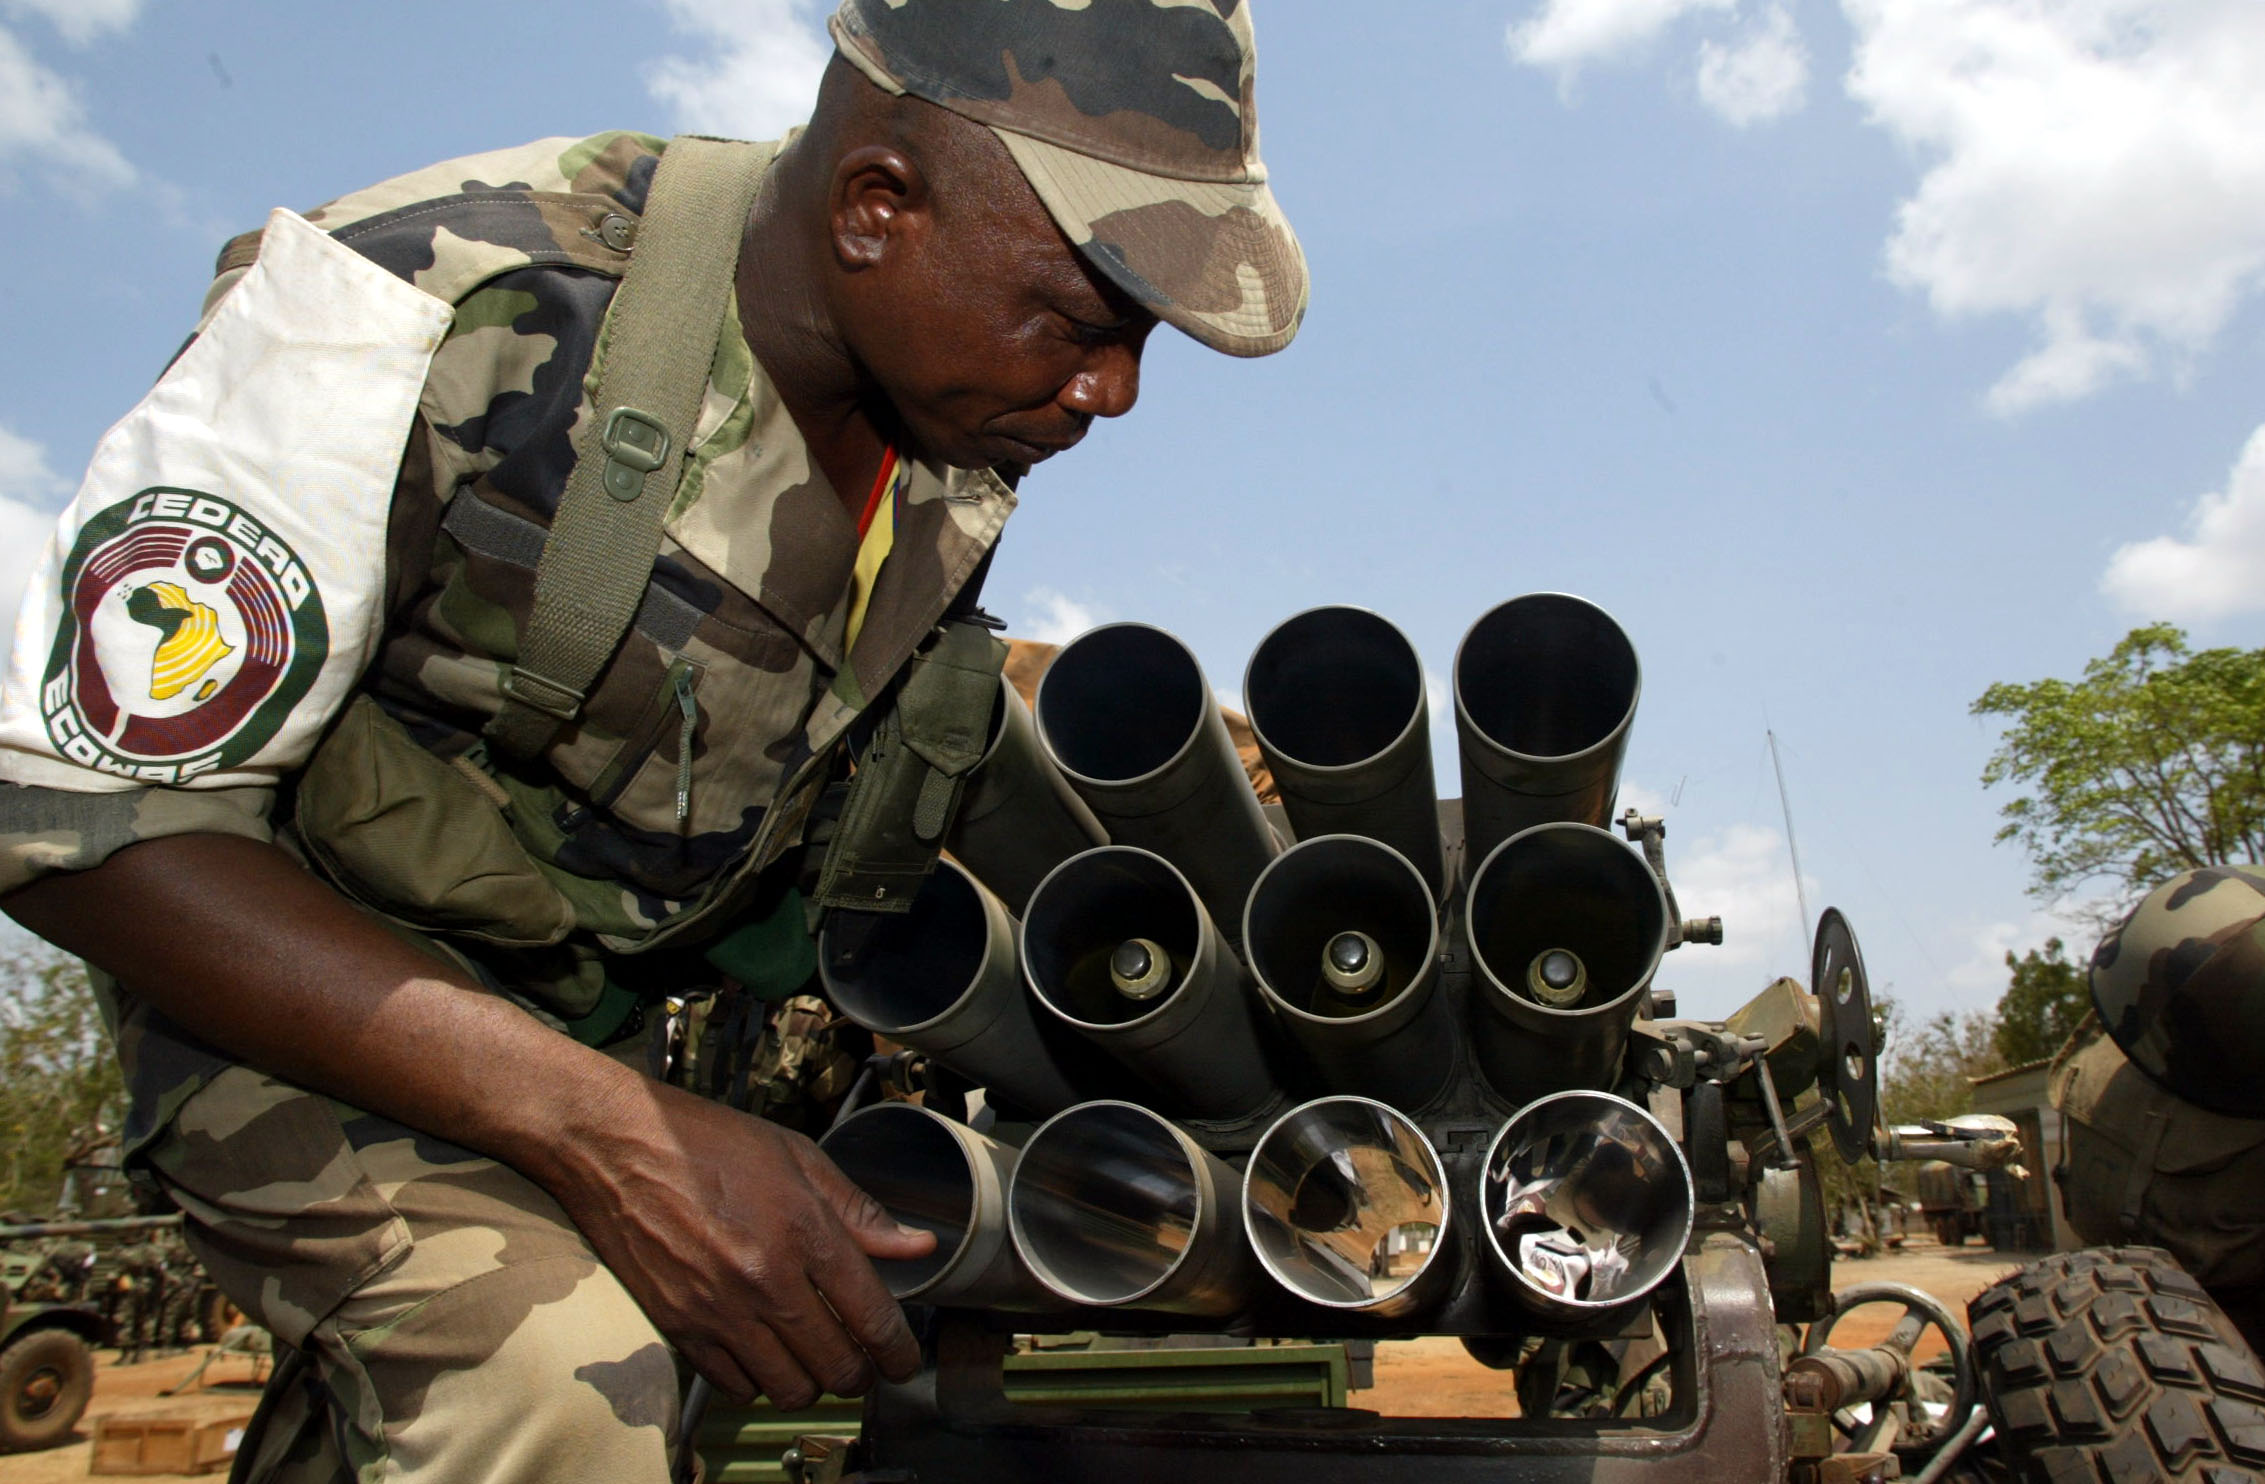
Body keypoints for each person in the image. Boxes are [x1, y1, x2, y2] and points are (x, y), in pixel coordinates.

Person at [0, 2, 1306, 1478]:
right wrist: (624, 1146)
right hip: (309, 1017)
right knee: (566, 1383)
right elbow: (77, 824)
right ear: (878, 209)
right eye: (1077, 321)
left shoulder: (942, 438)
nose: (1111, 390)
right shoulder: (415, 301)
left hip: (614, 1046)